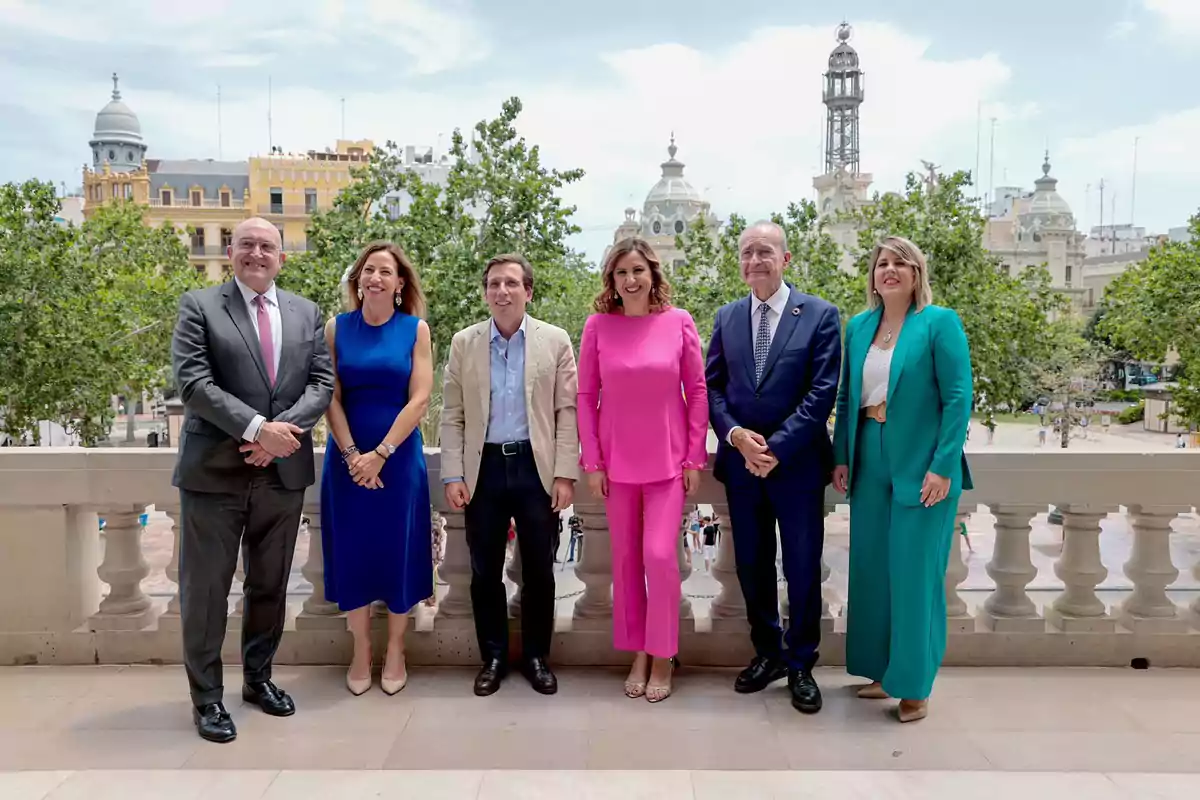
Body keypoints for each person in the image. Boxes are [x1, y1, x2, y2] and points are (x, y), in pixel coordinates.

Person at [171, 217, 334, 743]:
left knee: (270, 586)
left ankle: (258, 678)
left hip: (281, 475)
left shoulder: (306, 312)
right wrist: (259, 429)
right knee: (206, 591)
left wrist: (280, 435)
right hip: (214, 474)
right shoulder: (199, 306)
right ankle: (207, 699)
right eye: (247, 245)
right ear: (231, 251)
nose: (257, 254)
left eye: (267, 246)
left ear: (281, 256)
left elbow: (321, 383)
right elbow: (193, 383)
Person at [831, 235, 973, 724]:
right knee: (871, 570)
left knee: (915, 576)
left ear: (916, 274)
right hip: (868, 454)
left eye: (899, 263)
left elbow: (958, 399)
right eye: (881, 263)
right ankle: (880, 672)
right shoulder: (859, 326)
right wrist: (842, 456)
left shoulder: (939, 324)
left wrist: (943, 466)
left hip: (922, 462)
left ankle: (914, 686)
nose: (888, 270)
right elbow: (847, 396)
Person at [705, 220, 841, 715]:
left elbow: (822, 390)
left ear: (786, 260)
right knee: (752, 566)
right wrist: (737, 437)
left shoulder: (821, 315)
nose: (755, 260)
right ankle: (768, 654)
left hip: (798, 466)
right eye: (746, 253)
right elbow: (712, 389)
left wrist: (777, 447)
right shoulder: (727, 317)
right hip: (742, 467)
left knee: (803, 566)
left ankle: (802, 662)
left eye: (765, 251)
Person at [440, 253, 579, 697]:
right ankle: (494, 656)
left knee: (539, 569)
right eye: (494, 284)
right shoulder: (464, 342)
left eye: (511, 284)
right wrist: (453, 473)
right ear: (485, 292)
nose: (502, 292)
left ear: (528, 291)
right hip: (484, 468)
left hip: (535, 470)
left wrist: (564, 473)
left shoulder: (554, 341)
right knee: (485, 571)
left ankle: (537, 656)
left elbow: (566, 412)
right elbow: (453, 414)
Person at [578, 237, 708, 703]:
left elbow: (696, 390)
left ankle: (663, 653)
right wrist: (592, 461)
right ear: (611, 282)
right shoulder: (597, 326)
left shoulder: (678, 323)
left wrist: (695, 456)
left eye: (637, 271)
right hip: (615, 466)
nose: (630, 280)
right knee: (626, 562)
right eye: (621, 273)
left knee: (659, 556)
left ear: (652, 275)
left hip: (668, 465)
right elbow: (584, 397)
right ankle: (638, 651)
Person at [320, 241, 433, 697]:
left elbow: (420, 397)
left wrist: (381, 453)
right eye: (368, 270)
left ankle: (397, 650)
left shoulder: (415, 329)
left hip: (399, 459)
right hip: (346, 462)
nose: (375, 278)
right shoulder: (336, 328)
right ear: (358, 279)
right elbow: (329, 395)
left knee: (398, 552)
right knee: (354, 553)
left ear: (400, 283)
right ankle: (362, 650)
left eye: (385, 271)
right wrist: (352, 456)